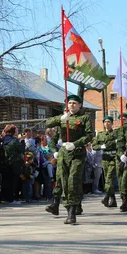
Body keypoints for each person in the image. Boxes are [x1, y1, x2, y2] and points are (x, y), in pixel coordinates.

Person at [45, 95, 93, 224]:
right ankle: (65, 207)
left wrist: (76, 144)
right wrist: (61, 118)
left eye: (74, 103)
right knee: (63, 181)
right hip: (64, 153)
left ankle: (72, 212)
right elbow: (47, 123)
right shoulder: (63, 118)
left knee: (73, 181)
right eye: (69, 103)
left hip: (77, 153)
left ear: (80, 105)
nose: (71, 105)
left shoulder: (84, 118)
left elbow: (89, 135)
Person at [92, 116, 118, 208]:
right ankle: (113, 199)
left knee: (109, 178)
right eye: (105, 122)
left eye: (109, 122)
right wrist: (101, 146)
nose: (107, 124)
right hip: (105, 157)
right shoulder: (100, 134)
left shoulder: (116, 133)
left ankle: (106, 197)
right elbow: (94, 146)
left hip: (113, 157)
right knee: (107, 178)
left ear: (112, 123)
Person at [1, 124, 25, 205]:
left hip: (5, 163)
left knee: (6, 181)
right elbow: (22, 149)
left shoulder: (4, 139)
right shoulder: (14, 141)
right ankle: (11, 199)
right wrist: (22, 140)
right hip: (14, 163)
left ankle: (5, 197)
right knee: (13, 182)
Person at [115, 113, 127, 212]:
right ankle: (123, 201)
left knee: (126, 180)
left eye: (124, 119)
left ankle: (126, 201)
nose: (122, 121)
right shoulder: (116, 132)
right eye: (120, 119)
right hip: (118, 158)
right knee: (121, 180)